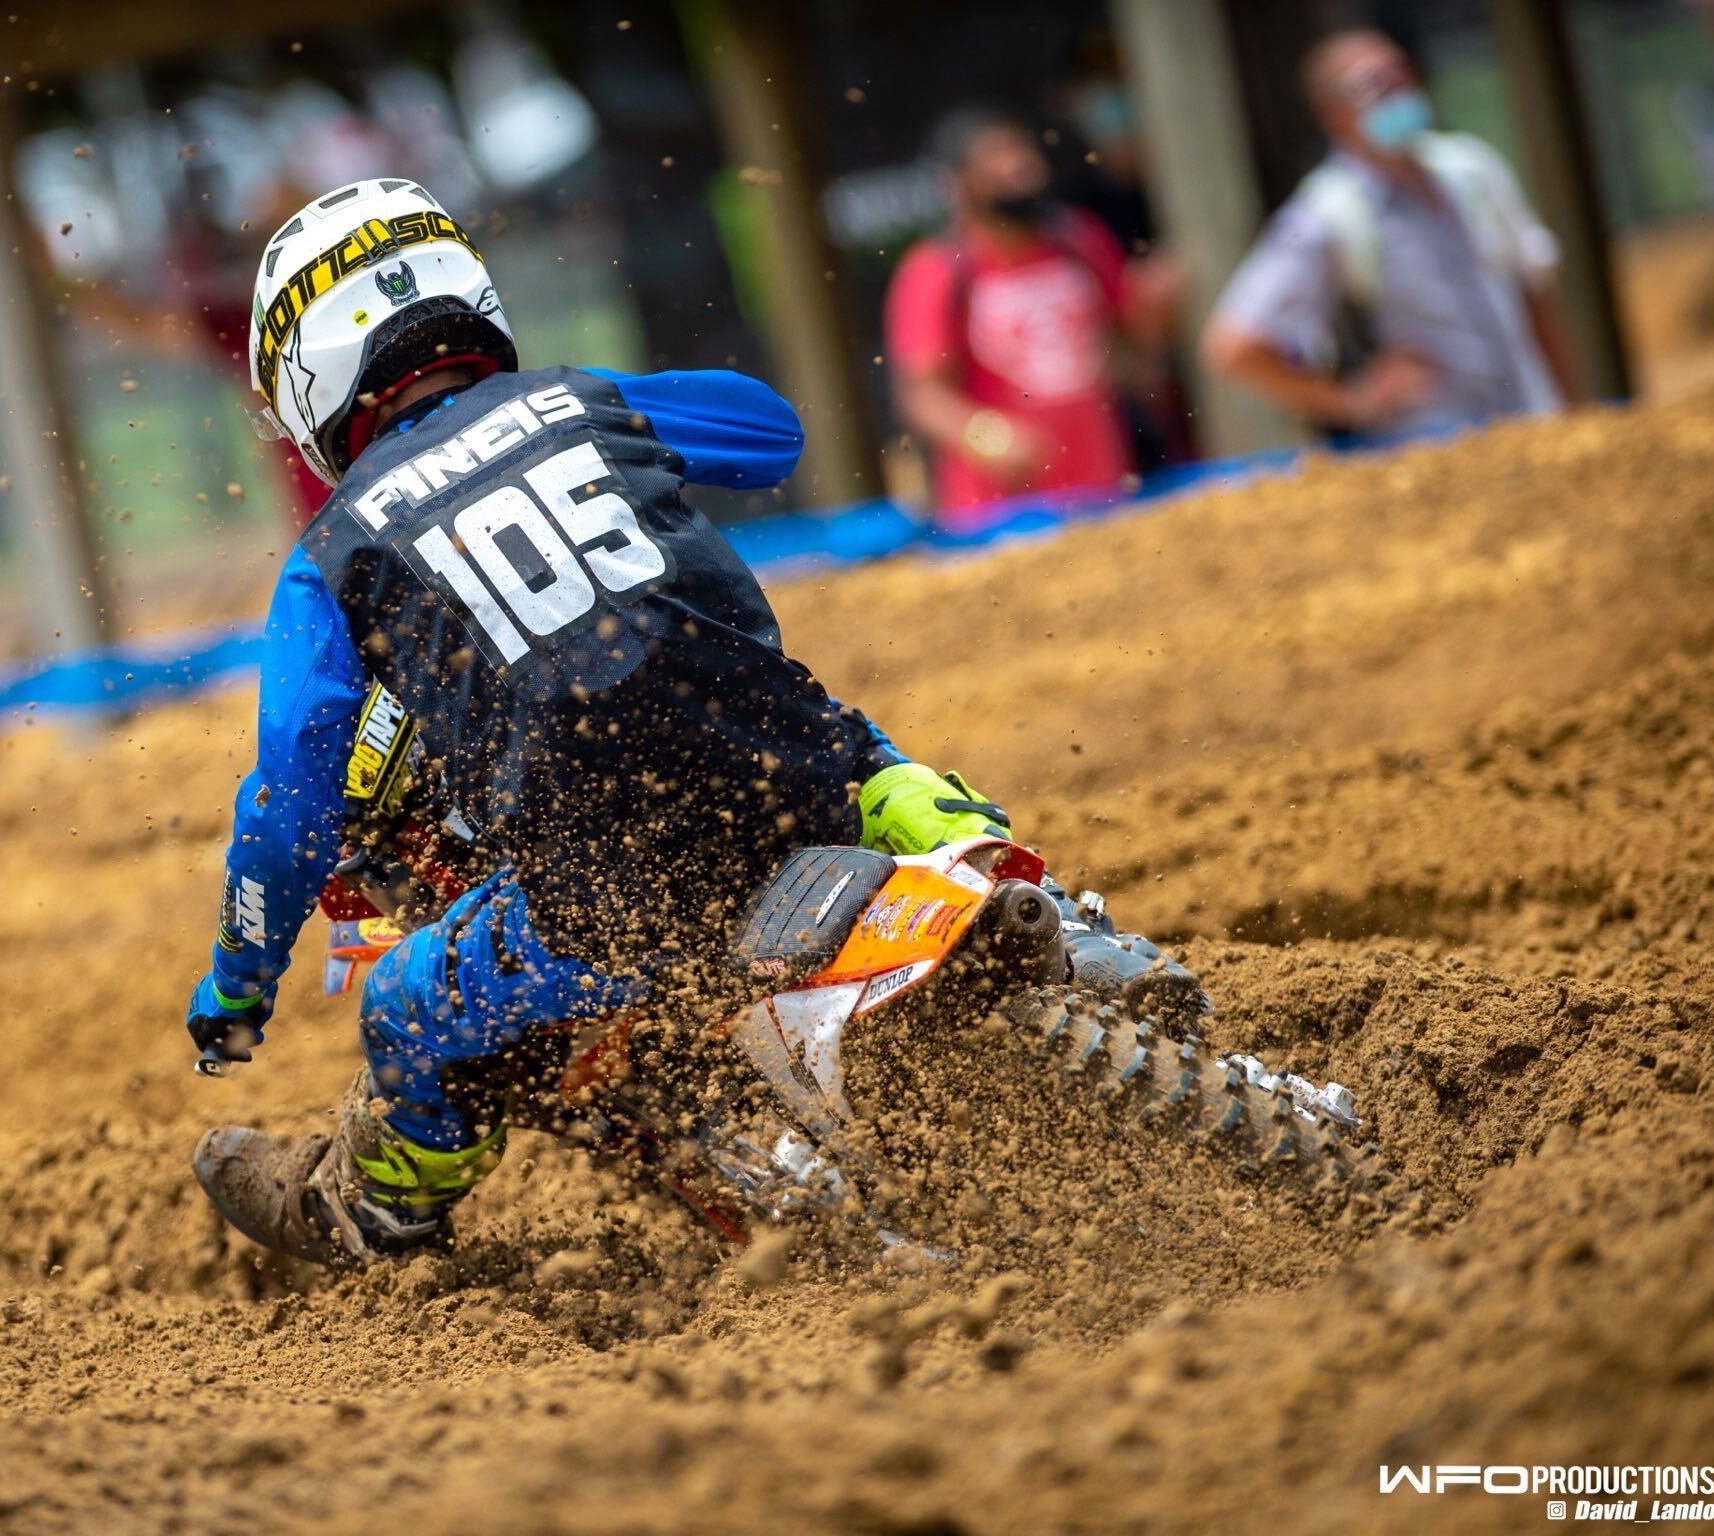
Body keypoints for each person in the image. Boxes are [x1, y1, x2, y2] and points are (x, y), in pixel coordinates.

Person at [183, 179, 1202, 1267]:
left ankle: (377, 1213)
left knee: (398, 1003)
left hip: (606, 905)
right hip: (787, 787)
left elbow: (286, 809)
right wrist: (603, 407)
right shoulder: (582, 403)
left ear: (306, 376)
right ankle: (1049, 912)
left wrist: (237, 986)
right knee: (864, 756)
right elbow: (768, 436)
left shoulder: (328, 559)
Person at [1201, 28, 1580, 442]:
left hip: (1536, 426)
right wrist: (1355, 402)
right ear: (1333, 114)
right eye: (1375, 85)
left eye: (1402, 75)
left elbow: (1533, 292)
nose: (1399, 92)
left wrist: (1577, 411)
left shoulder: (1472, 169)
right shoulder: (1327, 214)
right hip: (1437, 454)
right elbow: (1233, 346)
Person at [883, 108, 1160, 532]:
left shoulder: (1079, 240)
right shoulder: (938, 268)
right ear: (959, 183)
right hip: (996, 517)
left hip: (1103, 493)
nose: (1019, 165)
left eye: (1022, 150)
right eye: (996, 156)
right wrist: (987, 438)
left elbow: (1132, 336)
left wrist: (1156, 304)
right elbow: (921, 396)